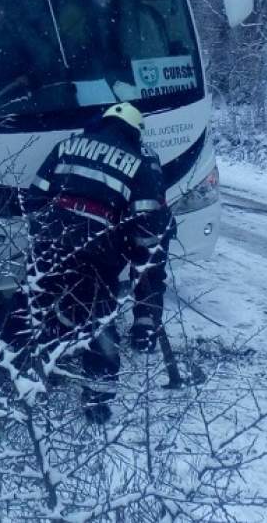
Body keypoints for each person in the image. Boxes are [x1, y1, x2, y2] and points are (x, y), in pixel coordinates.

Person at [26, 102, 174, 424]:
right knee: (99, 325)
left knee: (44, 312)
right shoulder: (139, 164)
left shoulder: (65, 146)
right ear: (135, 133)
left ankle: (34, 381)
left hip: (49, 249)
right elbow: (148, 237)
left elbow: (33, 199)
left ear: (102, 122)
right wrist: (146, 307)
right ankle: (96, 403)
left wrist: (50, 235)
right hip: (97, 255)